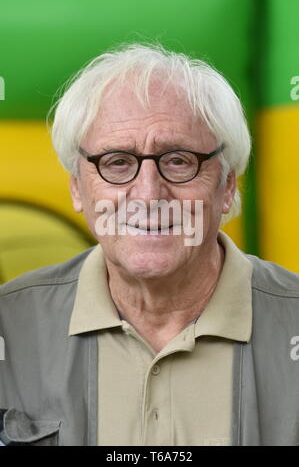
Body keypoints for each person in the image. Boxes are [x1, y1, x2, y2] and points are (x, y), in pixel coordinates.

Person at [1, 43, 299, 447]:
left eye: (178, 160)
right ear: (77, 188)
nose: (148, 193)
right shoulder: (8, 326)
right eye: (117, 162)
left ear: (227, 186)